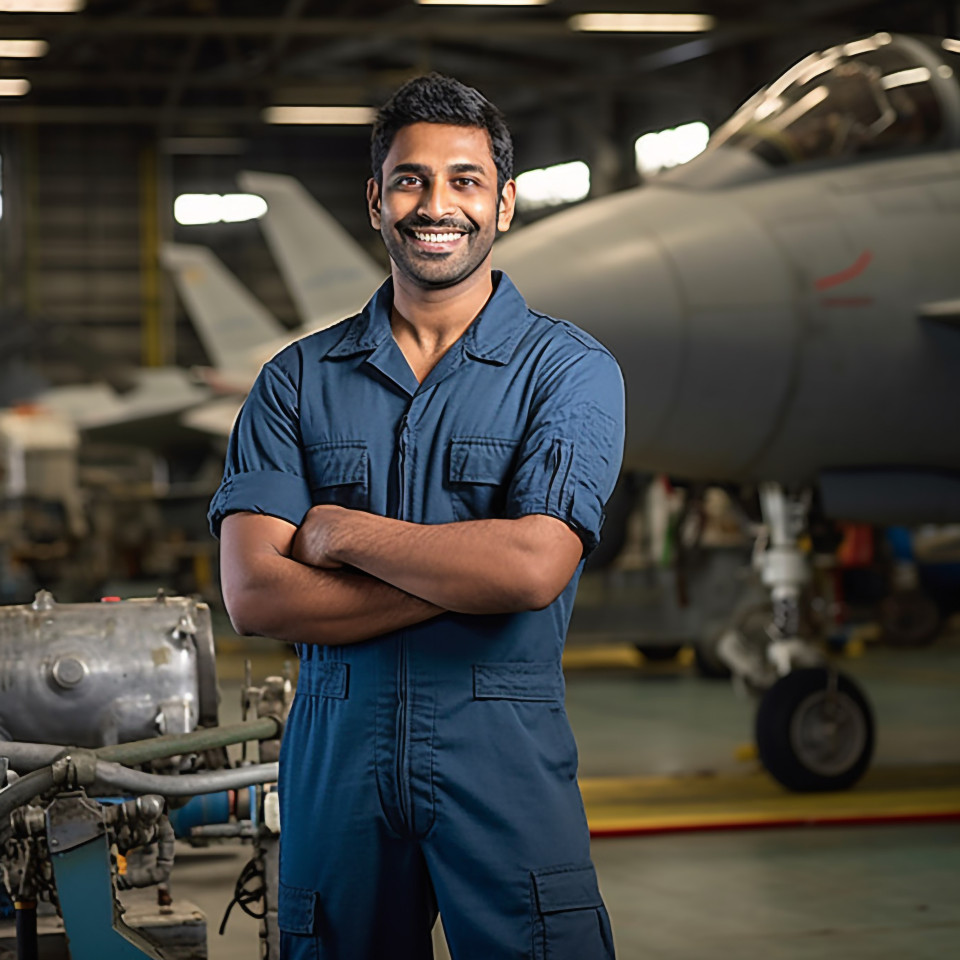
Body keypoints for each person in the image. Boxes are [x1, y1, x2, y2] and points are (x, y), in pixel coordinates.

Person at [211, 73, 624, 960]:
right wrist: (470, 576)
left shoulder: (568, 373)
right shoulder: (295, 380)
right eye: (410, 180)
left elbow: (530, 570)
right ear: (375, 200)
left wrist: (343, 535)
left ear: (505, 204)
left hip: (504, 764)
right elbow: (255, 596)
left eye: (466, 181)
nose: (437, 205)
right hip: (336, 765)